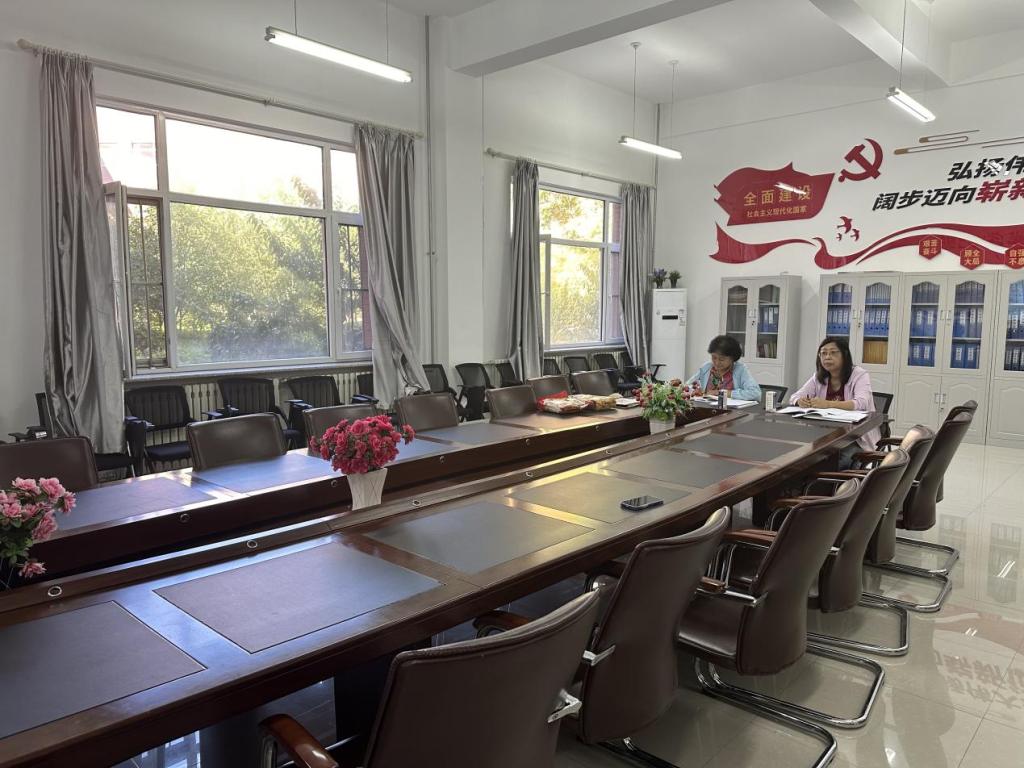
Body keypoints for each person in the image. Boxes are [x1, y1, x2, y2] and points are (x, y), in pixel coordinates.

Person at [790, 336, 881, 469]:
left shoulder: (859, 374)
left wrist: (828, 404)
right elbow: (794, 397)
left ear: (844, 355)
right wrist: (800, 401)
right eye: (823, 353)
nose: (827, 357)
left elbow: (860, 403)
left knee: (834, 463)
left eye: (833, 352)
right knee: (801, 458)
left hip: (855, 437)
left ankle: (837, 481)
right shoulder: (818, 377)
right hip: (824, 436)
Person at [686, 335, 761, 402]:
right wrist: (695, 390)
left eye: (721, 359)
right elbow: (686, 387)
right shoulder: (707, 367)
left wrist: (723, 393)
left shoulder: (740, 370)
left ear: (732, 358)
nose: (717, 362)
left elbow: (756, 394)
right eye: (714, 357)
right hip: (706, 408)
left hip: (731, 411)